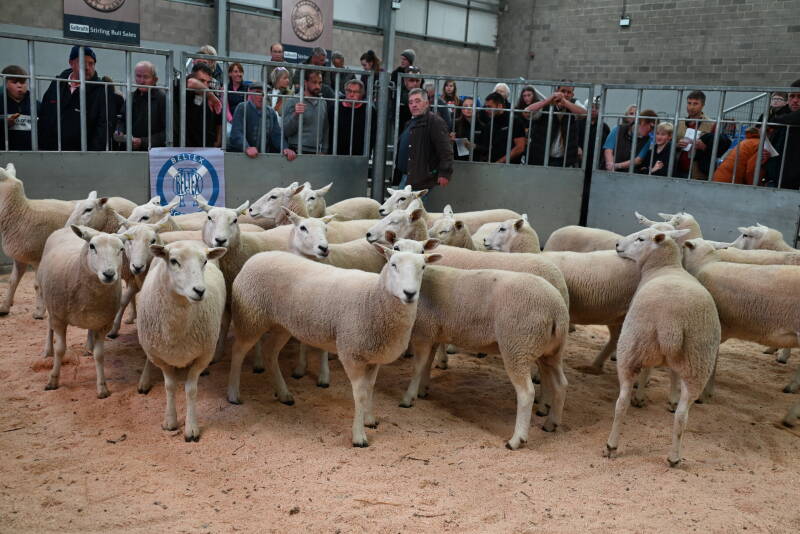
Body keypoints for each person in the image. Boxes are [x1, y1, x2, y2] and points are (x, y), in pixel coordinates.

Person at [38, 46, 108, 151]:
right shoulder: (57, 84)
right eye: (83, 62)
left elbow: (104, 126)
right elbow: (44, 116)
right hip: (52, 151)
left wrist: (93, 154)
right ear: (71, 63)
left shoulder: (101, 90)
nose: (87, 67)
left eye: (91, 63)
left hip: (83, 155)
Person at [394, 87, 452, 189]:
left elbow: (445, 150)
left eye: (417, 101)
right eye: (410, 102)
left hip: (422, 179)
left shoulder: (435, 121)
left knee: (408, 205)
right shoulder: (410, 123)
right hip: (407, 176)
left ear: (426, 103)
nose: (414, 105)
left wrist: (444, 173)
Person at [229, 82, 295, 160]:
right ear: (250, 93)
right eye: (258, 92)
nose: (261, 96)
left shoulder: (271, 112)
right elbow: (236, 133)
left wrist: (285, 148)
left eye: (264, 93)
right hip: (241, 157)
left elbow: (277, 135)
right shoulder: (242, 107)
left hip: (263, 158)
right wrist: (246, 147)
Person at [526, 85, 585, 166]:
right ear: (557, 91)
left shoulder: (574, 105)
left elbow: (585, 114)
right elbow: (526, 112)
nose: (565, 94)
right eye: (563, 91)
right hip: (540, 156)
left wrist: (565, 103)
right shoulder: (546, 104)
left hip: (564, 159)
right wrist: (548, 101)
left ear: (572, 95)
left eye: (569, 92)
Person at [115, 60, 166, 150]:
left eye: (146, 77)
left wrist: (143, 142)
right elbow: (122, 119)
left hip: (153, 153)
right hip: (130, 151)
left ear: (155, 80)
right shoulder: (131, 97)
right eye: (138, 76)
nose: (141, 81)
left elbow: (168, 132)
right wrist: (119, 132)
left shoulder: (162, 98)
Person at [173, 62, 222, 147]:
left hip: (206, 147)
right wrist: (211, 96)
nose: (205, 85)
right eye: (202, 81)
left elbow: (219, 121)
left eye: (208, 82)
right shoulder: (183, 88)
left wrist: (218, 140)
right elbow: (191, 83)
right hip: (184, 146)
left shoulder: (212, 93)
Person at [282, 70, 329, 154]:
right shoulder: (293, 101)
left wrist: (324, 150)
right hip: (295, 150)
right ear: (305, 82)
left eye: (320, 83)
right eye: (314, 82)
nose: (317, 86)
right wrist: (295, 114)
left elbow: (325, 129)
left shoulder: (323, 102)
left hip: (317, 152)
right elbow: (285, 131)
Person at [767, 79, 800, 189]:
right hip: (779, 174)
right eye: (792, 96)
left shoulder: (785, 117)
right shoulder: (781, 114)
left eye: (799, 97)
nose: (795, 100)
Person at [329, 79, 375, 156]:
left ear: (362, 94)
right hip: (335, 153)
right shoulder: (335, 107)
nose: (351, 94)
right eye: (349, 91)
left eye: (356, 92)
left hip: (360, 155)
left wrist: (367, 152)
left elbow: (372, 134)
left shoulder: (369, 110)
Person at [675, 90, 715, 179]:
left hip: (698, 173)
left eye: (695, 104)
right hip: (677, 169)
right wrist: (677, 145)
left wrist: (704, 147)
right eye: (689, 103)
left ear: (703, 105)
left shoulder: (712, 125)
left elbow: (717, 150)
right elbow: (670, 144)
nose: (691, 107)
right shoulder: (680, 122)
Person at [478, 91, 526, 164]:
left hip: (511, 167)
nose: (486, 110)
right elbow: (486, 147)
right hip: (492, 167)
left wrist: (500, 161)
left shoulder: (515, 121)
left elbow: (520, 147)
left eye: (489, 107)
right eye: (486, 107)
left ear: (500, 106)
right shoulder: (490, 124)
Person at [0, 65, 34, 150]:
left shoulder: (35, 105)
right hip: (4, 154)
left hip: (31, 154)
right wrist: (4, 124)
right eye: (14, 82)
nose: (19, 86)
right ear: (5, 83)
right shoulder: (1, 102)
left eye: (22, 82)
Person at [452, 96, 487, 161]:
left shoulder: (482, 126)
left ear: (476, 109)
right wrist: (450, 139)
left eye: (471, 106)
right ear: (462, 109)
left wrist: (474, 146)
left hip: (476, 161)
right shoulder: (455, 124)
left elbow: (486, 148)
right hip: (458, 161)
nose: (468, 108)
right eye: (465, 106)